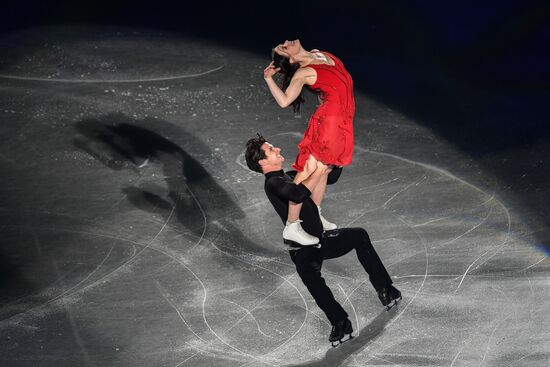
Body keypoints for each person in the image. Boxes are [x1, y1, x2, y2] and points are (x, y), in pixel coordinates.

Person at [244, 134, 401, 346]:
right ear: (262, 161)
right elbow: (296, 195)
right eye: (271, 150)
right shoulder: (272, 183)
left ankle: (385, 289)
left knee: (359, 236)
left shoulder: (290, 175)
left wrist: (335, 158)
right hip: (302, 248)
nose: (278, 149)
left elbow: (331, 177)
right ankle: (340, 322)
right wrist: (316, 170)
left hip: (322, 238)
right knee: (311, 277)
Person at [263, 39, 355, 247]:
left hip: (342, 120)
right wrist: (269, 79)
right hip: (329, 124)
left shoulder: (319, 53)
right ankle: (292, 225)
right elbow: (285, 101)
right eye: (284, 47)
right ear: (291, 58)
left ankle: (314, 214)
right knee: (310, 170)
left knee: (323, 170)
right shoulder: (303, 73)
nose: (287, 42)